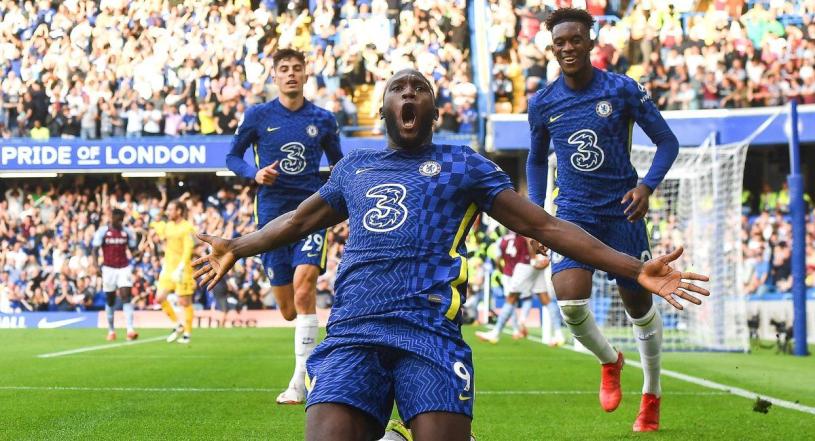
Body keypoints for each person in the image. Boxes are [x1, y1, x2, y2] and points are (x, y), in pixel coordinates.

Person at [195, 68, 708, 441]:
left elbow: (545, 225)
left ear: (435, 112)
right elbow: (296, 221)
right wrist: (237, 246)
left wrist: (634, 268)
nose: (409, 93)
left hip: (430, 336)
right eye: (399, 88)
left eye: (419, 89)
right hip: (353, 333)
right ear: (383, 110)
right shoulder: (354, 168)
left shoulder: (464, 165)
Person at [526, 8, 681, 432]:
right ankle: (610, 360)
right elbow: (536, 160)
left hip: (622, 211)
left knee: (639, 306)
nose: (568, 48)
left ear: (591, 42)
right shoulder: (543, 102)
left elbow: (667, 142)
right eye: (560, 42)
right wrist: (537, 212)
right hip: (573, 212)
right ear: (552, 49)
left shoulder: (622, 89)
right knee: (570, 303)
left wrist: (646, 186)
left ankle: (651, 393)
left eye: (575, 39)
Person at [226, 48, 343, 405]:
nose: (291, 73)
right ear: (274, 76)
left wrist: (342, 201)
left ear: (306, 74)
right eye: (284, 69)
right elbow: (232, 157)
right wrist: (254, 173)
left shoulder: (323, 119)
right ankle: (304, 362)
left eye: (297, 68)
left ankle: (300, 382)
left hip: (311, 213)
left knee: (305, 287)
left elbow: (338, 166)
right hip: (271, 218)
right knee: (289, 308)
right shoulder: (258, 115)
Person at [151, 199, 196, 344]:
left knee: (184, 302)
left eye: (171, 209)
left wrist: (181, 266)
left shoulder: (187, 227)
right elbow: (157, 226)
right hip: (168, 268)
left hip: (183, 269)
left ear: (179, 211)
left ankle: (187, 333)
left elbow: (189, 248)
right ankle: (178, 324)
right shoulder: (168, 226)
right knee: (159, 298)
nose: (168, 212)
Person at [92, 208, 140, 341]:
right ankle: (111, 330)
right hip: (108, 269)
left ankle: (130, 329)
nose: (119, 222)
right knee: (110, 299)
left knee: (126, 296)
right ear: (112, 218)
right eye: (117, 219)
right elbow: (95, 249)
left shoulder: (127, 232)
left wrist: (137, 253)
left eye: (121, 220)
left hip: (124, 267)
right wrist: (96, 266)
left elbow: (133, 250)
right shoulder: (103, 231)